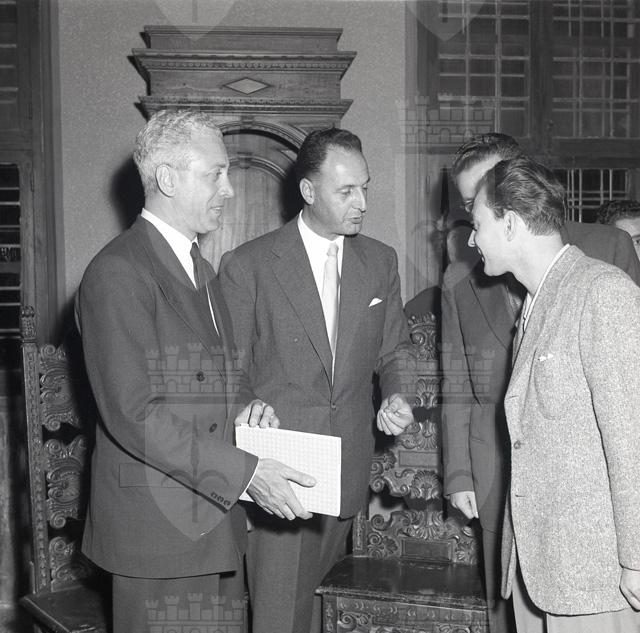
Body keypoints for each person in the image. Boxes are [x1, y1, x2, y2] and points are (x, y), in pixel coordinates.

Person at [76, 109, 315, 633]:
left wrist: (247, 405)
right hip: (158, 532)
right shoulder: (117, 272)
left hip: (213, 520)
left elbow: (227, 372)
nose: (228, 189)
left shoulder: (200, 266)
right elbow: (134, 414)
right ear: (167, 178)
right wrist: (246, 472)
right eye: (215, 174)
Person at [436, 133, 640, 633]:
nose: (470, 240)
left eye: (477, 224)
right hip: (536, 557)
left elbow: (631, 437)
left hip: (591, 571)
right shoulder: (537, 300)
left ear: (509, 222)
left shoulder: (603, 291)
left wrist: (636, 556)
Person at [219, 127, 416, 633]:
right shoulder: (248, 265)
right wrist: (246, 406)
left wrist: (397, 392)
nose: (362, 203)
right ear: (308, 191)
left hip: (348, 472)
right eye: (346, 191)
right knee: (280, 620)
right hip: (280, 478)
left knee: (323, 618)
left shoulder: (380, 261)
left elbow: (394, 348)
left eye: (365, 188)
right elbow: (226, 371)